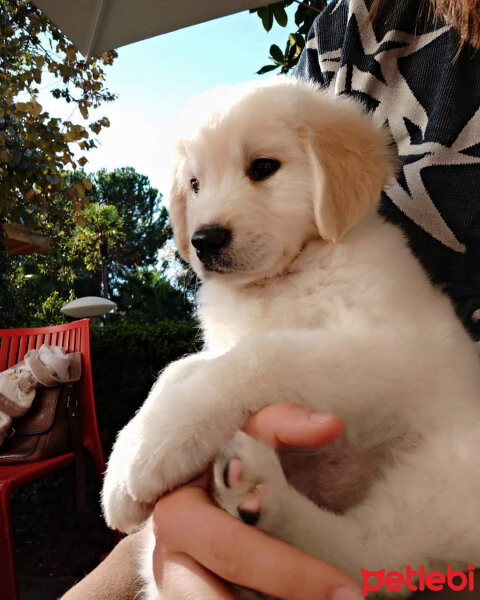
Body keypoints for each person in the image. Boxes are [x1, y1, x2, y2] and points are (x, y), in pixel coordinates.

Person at [61, 0, 480, 598]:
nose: (207, 222)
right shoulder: (361, 28)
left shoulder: (363, 256)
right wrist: (185, 413)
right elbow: (221, 392)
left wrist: (234, 385)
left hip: (431, 506)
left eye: (261, 168)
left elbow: (388, 363)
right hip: (282, 504)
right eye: (196, 187)